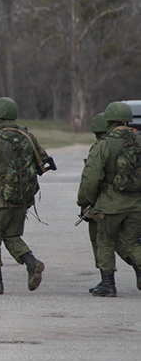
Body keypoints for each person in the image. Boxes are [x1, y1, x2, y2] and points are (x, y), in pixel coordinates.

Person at [0, 97, 51, 294]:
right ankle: (32, 263)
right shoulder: (28, 137)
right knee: (12, 235)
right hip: (22, 198)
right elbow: (43, 163)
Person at [77, 102, 141, 297]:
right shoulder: (138, 140)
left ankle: (108, 284)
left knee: (104, 240)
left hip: (111, 203)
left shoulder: (105, 144)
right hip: (137, 203)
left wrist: (85, 201)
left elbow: (91, 177)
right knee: (131, 242)